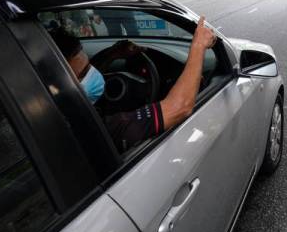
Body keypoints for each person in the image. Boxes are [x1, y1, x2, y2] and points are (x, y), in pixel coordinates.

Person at [50, 17, 216, 153]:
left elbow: (86, 72)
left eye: (90, 66)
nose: (94, 73)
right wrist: (199, 45)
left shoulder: (54, 117)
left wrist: (114, 54)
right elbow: (180, 107)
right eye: (85, 73)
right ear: (58, 88)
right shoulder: (96, 130)